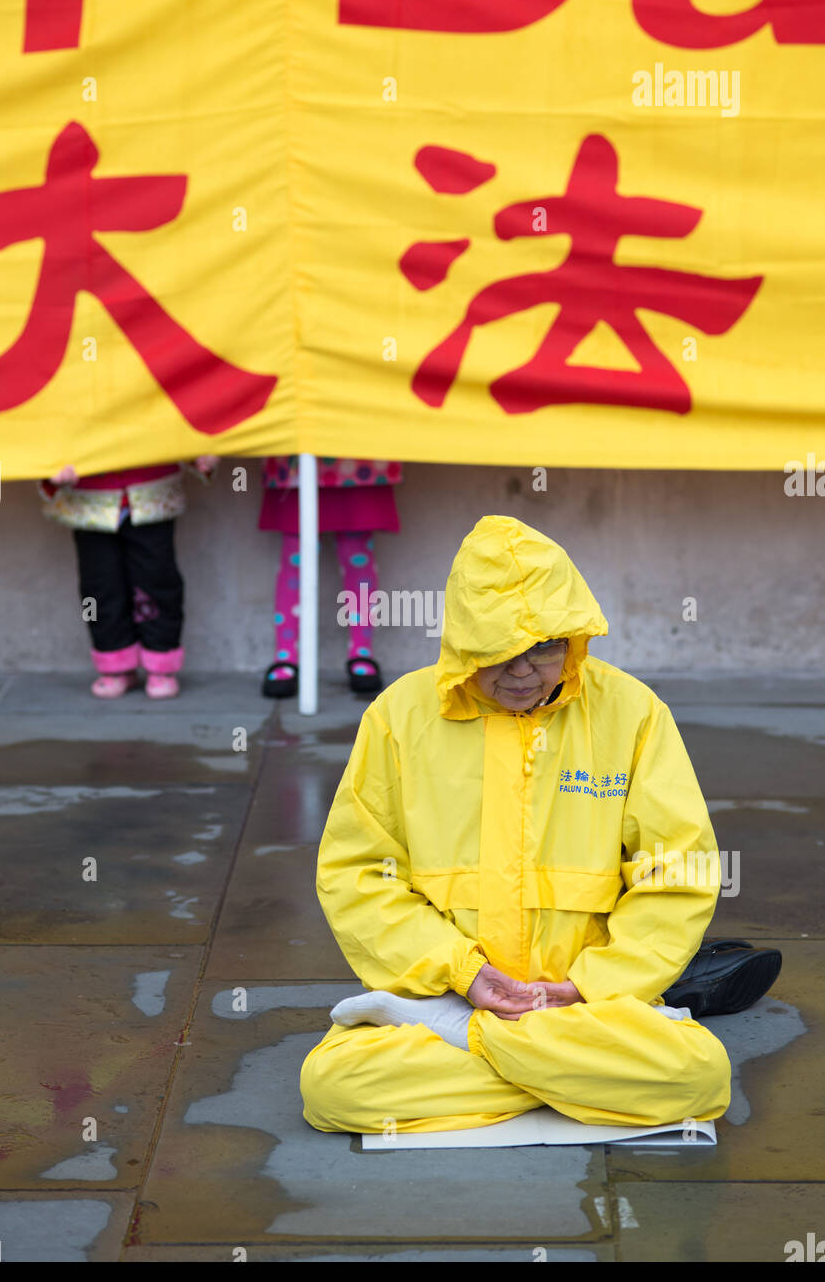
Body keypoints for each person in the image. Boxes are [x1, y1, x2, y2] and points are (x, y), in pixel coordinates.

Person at [301, 515, 753, 1137]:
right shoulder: (398, 717)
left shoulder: (632, 712)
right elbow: (357, 876)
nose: (523, 671)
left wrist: (589, 986)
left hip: (586, 1005)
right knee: (332, 1090)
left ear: (574, 639)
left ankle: (484, 1054)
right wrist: (460, 973)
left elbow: (676, 870)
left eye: (544, 647)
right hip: (448, 997)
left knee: (700, 1076)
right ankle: (574, 1078)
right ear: (462, 645)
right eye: (499, 652)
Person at [39, 458, 217, 698]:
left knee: (158, 581)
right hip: (90, 498)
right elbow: (44, 430)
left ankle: (161, 663)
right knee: (99, 586)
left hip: (151, 492)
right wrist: (50, 472)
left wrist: (200, 455)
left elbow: (181, 423)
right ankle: (115, 663)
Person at [258, 456, 402, 697]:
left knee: (356, 551)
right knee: (296, 553)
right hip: (298, 456)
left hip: (355, 455)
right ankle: (285, 654)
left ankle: (361, 651)